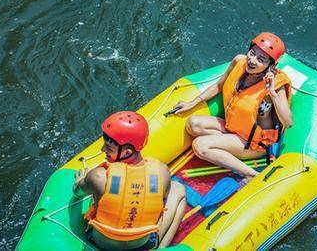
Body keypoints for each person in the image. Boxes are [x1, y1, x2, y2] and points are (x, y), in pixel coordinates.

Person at [172, 32, 292, 183]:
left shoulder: (276, 85)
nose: (252, 60)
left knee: (200, 146)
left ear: (270, 65)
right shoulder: (239, 62)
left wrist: (273, 94)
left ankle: (251, 175)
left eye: (260, 60)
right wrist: (193, 102)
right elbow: (219, 86)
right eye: (252, 53)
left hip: (253, 143)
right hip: (232, 128)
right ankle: (226, 147)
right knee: (193, 124)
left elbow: (288, 122)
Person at [74, 111, 186, 250]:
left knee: (99, 195)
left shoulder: (98, 176)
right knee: (179, 190)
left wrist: (82, 179)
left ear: (127, 151)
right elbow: (160, 208)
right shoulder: (162, 172)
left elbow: (77, 192)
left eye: (108, 147)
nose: (103, 149)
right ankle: (158, 247)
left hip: (100, 242)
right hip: (141, 244)